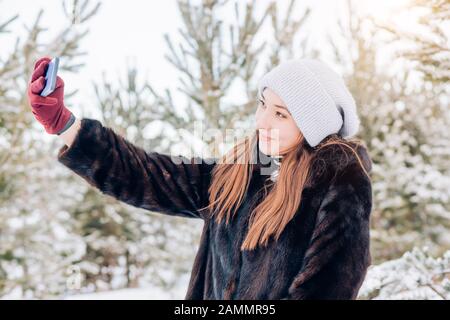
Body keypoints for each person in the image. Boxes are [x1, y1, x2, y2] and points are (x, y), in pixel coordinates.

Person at [27, 56, 373, 300]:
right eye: (263, 104)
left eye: (280, 115)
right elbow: (148, 176)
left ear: (312, 128)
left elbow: (326, 290)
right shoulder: (239, 173)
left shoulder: (338, 186)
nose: (262, 121)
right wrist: (64, 124)